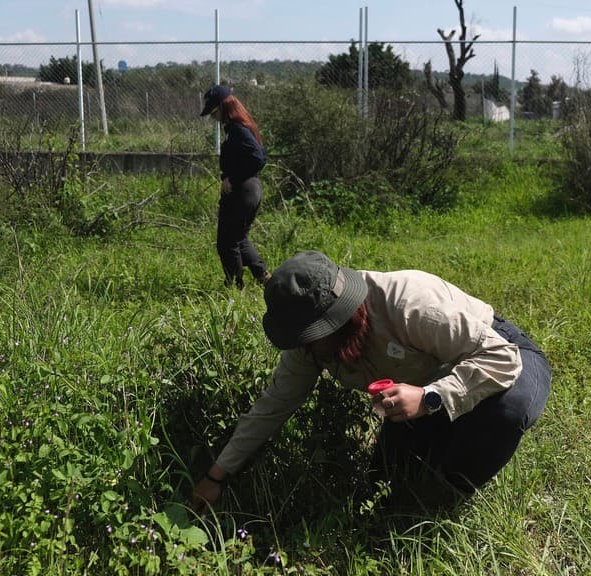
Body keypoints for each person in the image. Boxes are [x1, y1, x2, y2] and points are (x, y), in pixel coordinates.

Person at [190, 250, 551, 514]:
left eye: (319, 334)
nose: (314, 347)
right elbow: (273, 406)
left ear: (342, 313)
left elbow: (502, 358)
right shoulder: (308, 341)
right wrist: (216, 476)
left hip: (499, 350)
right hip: (424, 383)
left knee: (507, 411)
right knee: (384, 482)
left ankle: (448, 496)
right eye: (305, 337)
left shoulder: (410, 304)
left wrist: (430, 398)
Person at [199, 84, 270, 288]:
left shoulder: (238, 129)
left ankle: (234, 288)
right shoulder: (238, 127)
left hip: (243, 191)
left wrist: (233, 179)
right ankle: (264, 277)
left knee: (227, 243)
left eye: (214, 112)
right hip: (250, 189)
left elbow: (258, 158)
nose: (213, 118)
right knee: (238, 238)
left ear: (224, 107)